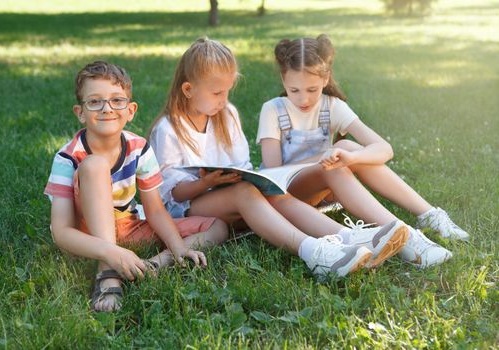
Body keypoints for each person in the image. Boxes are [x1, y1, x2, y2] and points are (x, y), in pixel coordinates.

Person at [149, 38, 410, 281]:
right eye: (217, 93)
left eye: (228, 91)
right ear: (188, 89)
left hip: (227, 194)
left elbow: (242, 166)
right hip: (191, 206)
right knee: (244, 191)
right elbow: (174, 195)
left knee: (271, 192)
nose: (224, 100)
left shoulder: (226, 114)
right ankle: (314, 252)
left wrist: (231, 177)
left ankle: (350, 239)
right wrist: (209, 181)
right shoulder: (168, 130)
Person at [257, 34, 468, 268]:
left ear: (326, 78)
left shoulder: (331, 106)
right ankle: (408, 238)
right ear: (282, 79)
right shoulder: (273, 110)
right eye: (294, 90)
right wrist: (326, 158)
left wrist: (352, 158)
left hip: (324, 188)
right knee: (339, 154)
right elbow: (274, 175)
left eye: (312, 89)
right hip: (287, 193)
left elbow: (384, 149)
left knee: (345, 152)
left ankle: (429, 215)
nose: (303, 98)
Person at [44, 61, 228, 312]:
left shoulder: (139, 148)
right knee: (95, 165)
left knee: (218, 227)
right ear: (80, 112)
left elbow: (154, 210)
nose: (107, 108)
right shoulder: (67, 157)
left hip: (128, 227)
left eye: (117, 100)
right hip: (87, 232)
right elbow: (61, 232)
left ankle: (152, 264)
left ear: (130, 110)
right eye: (95, 101)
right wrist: (111, 252)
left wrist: (178, 247)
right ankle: (108, 273)